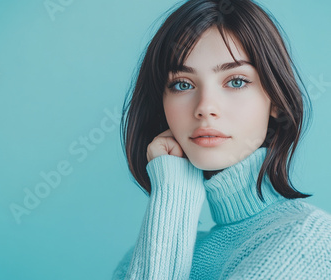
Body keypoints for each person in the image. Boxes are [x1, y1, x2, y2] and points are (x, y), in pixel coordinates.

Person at [113, 0, 331, 279]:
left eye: (236, 81)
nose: (205, 107)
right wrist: (171, 198)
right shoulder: (136, 259)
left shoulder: (307, 240)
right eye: (183, 84)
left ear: (276, 100)